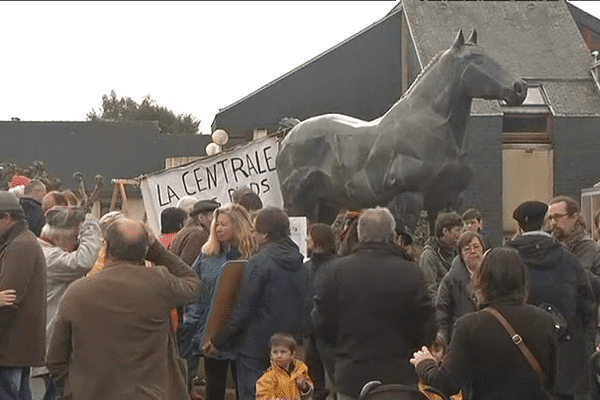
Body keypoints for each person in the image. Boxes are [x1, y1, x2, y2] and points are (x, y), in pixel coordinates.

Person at [46, 218, 204, 399]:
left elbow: (55, 358)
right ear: (145, 250)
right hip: (151, 393)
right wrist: (158, 252)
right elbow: (194, 286)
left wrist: (70, 389)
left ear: (105, 247)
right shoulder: (159, 284)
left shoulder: (77, 292)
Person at [312, 207, 435, 400]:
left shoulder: (335, 272)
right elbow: (426, 327)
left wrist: (342, 348)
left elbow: (322, 323)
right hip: (399, 378)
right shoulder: (412, 273)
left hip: (352, 375)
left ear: (360, 235)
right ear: (392, 235)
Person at [410, 247, 558, 400]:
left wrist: (425, 364)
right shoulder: (544, 320)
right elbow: (551, 379)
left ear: (484, 279)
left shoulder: (470, 326)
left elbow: (446, 383)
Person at [204, 207, 307, 400]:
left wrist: (218, 341)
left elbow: (243, 309)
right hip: (286, 346)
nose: (252, 233)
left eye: (255, 229)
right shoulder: (300, 263)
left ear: (265, 234)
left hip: (255, 349)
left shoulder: (260, 262)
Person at [510, 200, 596, 400]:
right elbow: (588, 307)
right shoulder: (569, 260)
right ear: (545, 223)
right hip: (565, 365)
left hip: (517, 362)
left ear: (519, 227)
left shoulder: (505, 260)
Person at [181, 203, 257, 400]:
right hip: (211, 334)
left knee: (245, 391)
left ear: (238, 225)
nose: (219, 228)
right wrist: (192, 325)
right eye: (217, 224)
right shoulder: (207, 255)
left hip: (242, 334)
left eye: (224, 224)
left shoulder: (253, 256)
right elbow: (195, 292)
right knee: (214, 390)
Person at [33, 206, 102, 400]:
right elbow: (83, 261)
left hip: (52, 336)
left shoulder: (44, 250)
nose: (75, 245)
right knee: (58, 391)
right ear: (60, 238)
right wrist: (91, 228)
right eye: (74, 240)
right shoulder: (48, 257)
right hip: (52, 338)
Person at [0, 191, 47, 400]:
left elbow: (9, 299)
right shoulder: (17, 241)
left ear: (7, 218)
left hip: (9, 346)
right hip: (13, 346)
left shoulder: (20, 246)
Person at [304, 223, 338, 400]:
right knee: (314, 383)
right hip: (311, 332)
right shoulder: (308, 266)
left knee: (336, 379)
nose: (306, 239)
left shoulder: (337, 265)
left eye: (309, 235)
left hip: (330, 333)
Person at [436, 231, 484, 342]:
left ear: (483, 249)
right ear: (461, 254)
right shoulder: (450, 280)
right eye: (467, 249)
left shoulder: (492, 276)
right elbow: (442, 312)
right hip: (461, 338)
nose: (472, 251)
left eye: (476, 247)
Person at [547, 195, 600, 276]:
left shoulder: (592, 250)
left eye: (558, 216)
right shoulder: (548, 247)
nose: (553, 223)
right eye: (550, 218)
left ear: (574, 217)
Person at [419, 212, 463, 301]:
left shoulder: (458, 252)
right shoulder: (429, 255)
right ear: (445, 231)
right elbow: (429, 289)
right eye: (457, 230)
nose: (461, 234)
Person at [256, 332, 313, 400]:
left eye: (283, 352)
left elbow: (309, 395)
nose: (279, 356)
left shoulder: (300, 369)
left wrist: (304, 387)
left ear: (292, 354)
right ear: (270, 355)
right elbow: (263, 397)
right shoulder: (267, 378)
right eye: (275, 352)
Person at [170, 199, 221, 267]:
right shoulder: (198, 235)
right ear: (201, 217)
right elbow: (187, 267)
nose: (216, 222)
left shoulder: (187, 230)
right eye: (213, 217)